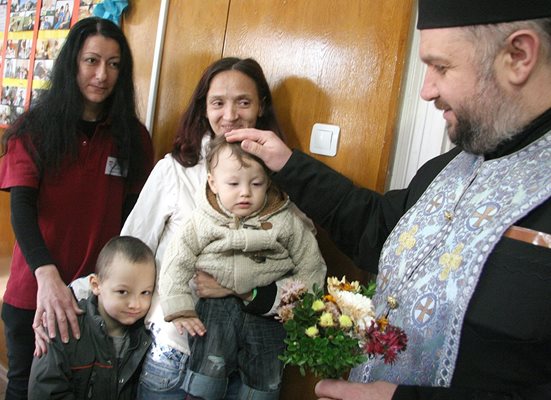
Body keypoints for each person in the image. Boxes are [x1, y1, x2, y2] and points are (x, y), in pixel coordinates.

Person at [226, 1, 551, 399]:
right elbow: (378, 229)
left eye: (442, 67)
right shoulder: (450, 168)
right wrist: (287, 164)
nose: (427, 90)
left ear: (518, 55)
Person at [120, 57, 302, 399]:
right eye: (218, 102)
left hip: (251, 367)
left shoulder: (283, 179)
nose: (230, 115)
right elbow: (130, 253)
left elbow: (301, 276)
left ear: (261, 106)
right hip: (178, 355)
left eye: (243, 102)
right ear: (204, 108)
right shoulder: (175, 170)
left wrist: (239, 285)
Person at [0, 17, 153, 400]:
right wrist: (47, 278)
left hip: (98, 299)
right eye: (91, 61)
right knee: (26, 387)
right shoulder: (32, 128)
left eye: (114, 64)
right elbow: (22, 209)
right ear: (72, 63)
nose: (102, 74)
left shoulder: (133, 137)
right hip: (33, 290)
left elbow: (133, 218)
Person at [159, 136, 326, 399]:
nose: (245, 192)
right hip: (216, 309)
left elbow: (312, 266)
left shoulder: (285, 219)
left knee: (266, 375)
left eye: (256, 183)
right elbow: (176, 259)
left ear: (268, 182)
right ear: (213, 183)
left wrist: (291, 299)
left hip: (268, 313)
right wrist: (178, 307)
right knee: (208, 369)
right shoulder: (203, 219)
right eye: (233, 184)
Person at [28, 236, 156, 399]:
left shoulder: (147, 335)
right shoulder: (63, 327)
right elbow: (44, 392)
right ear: (96, 285)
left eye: (145, 292)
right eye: (122, 292)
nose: (135, 304)